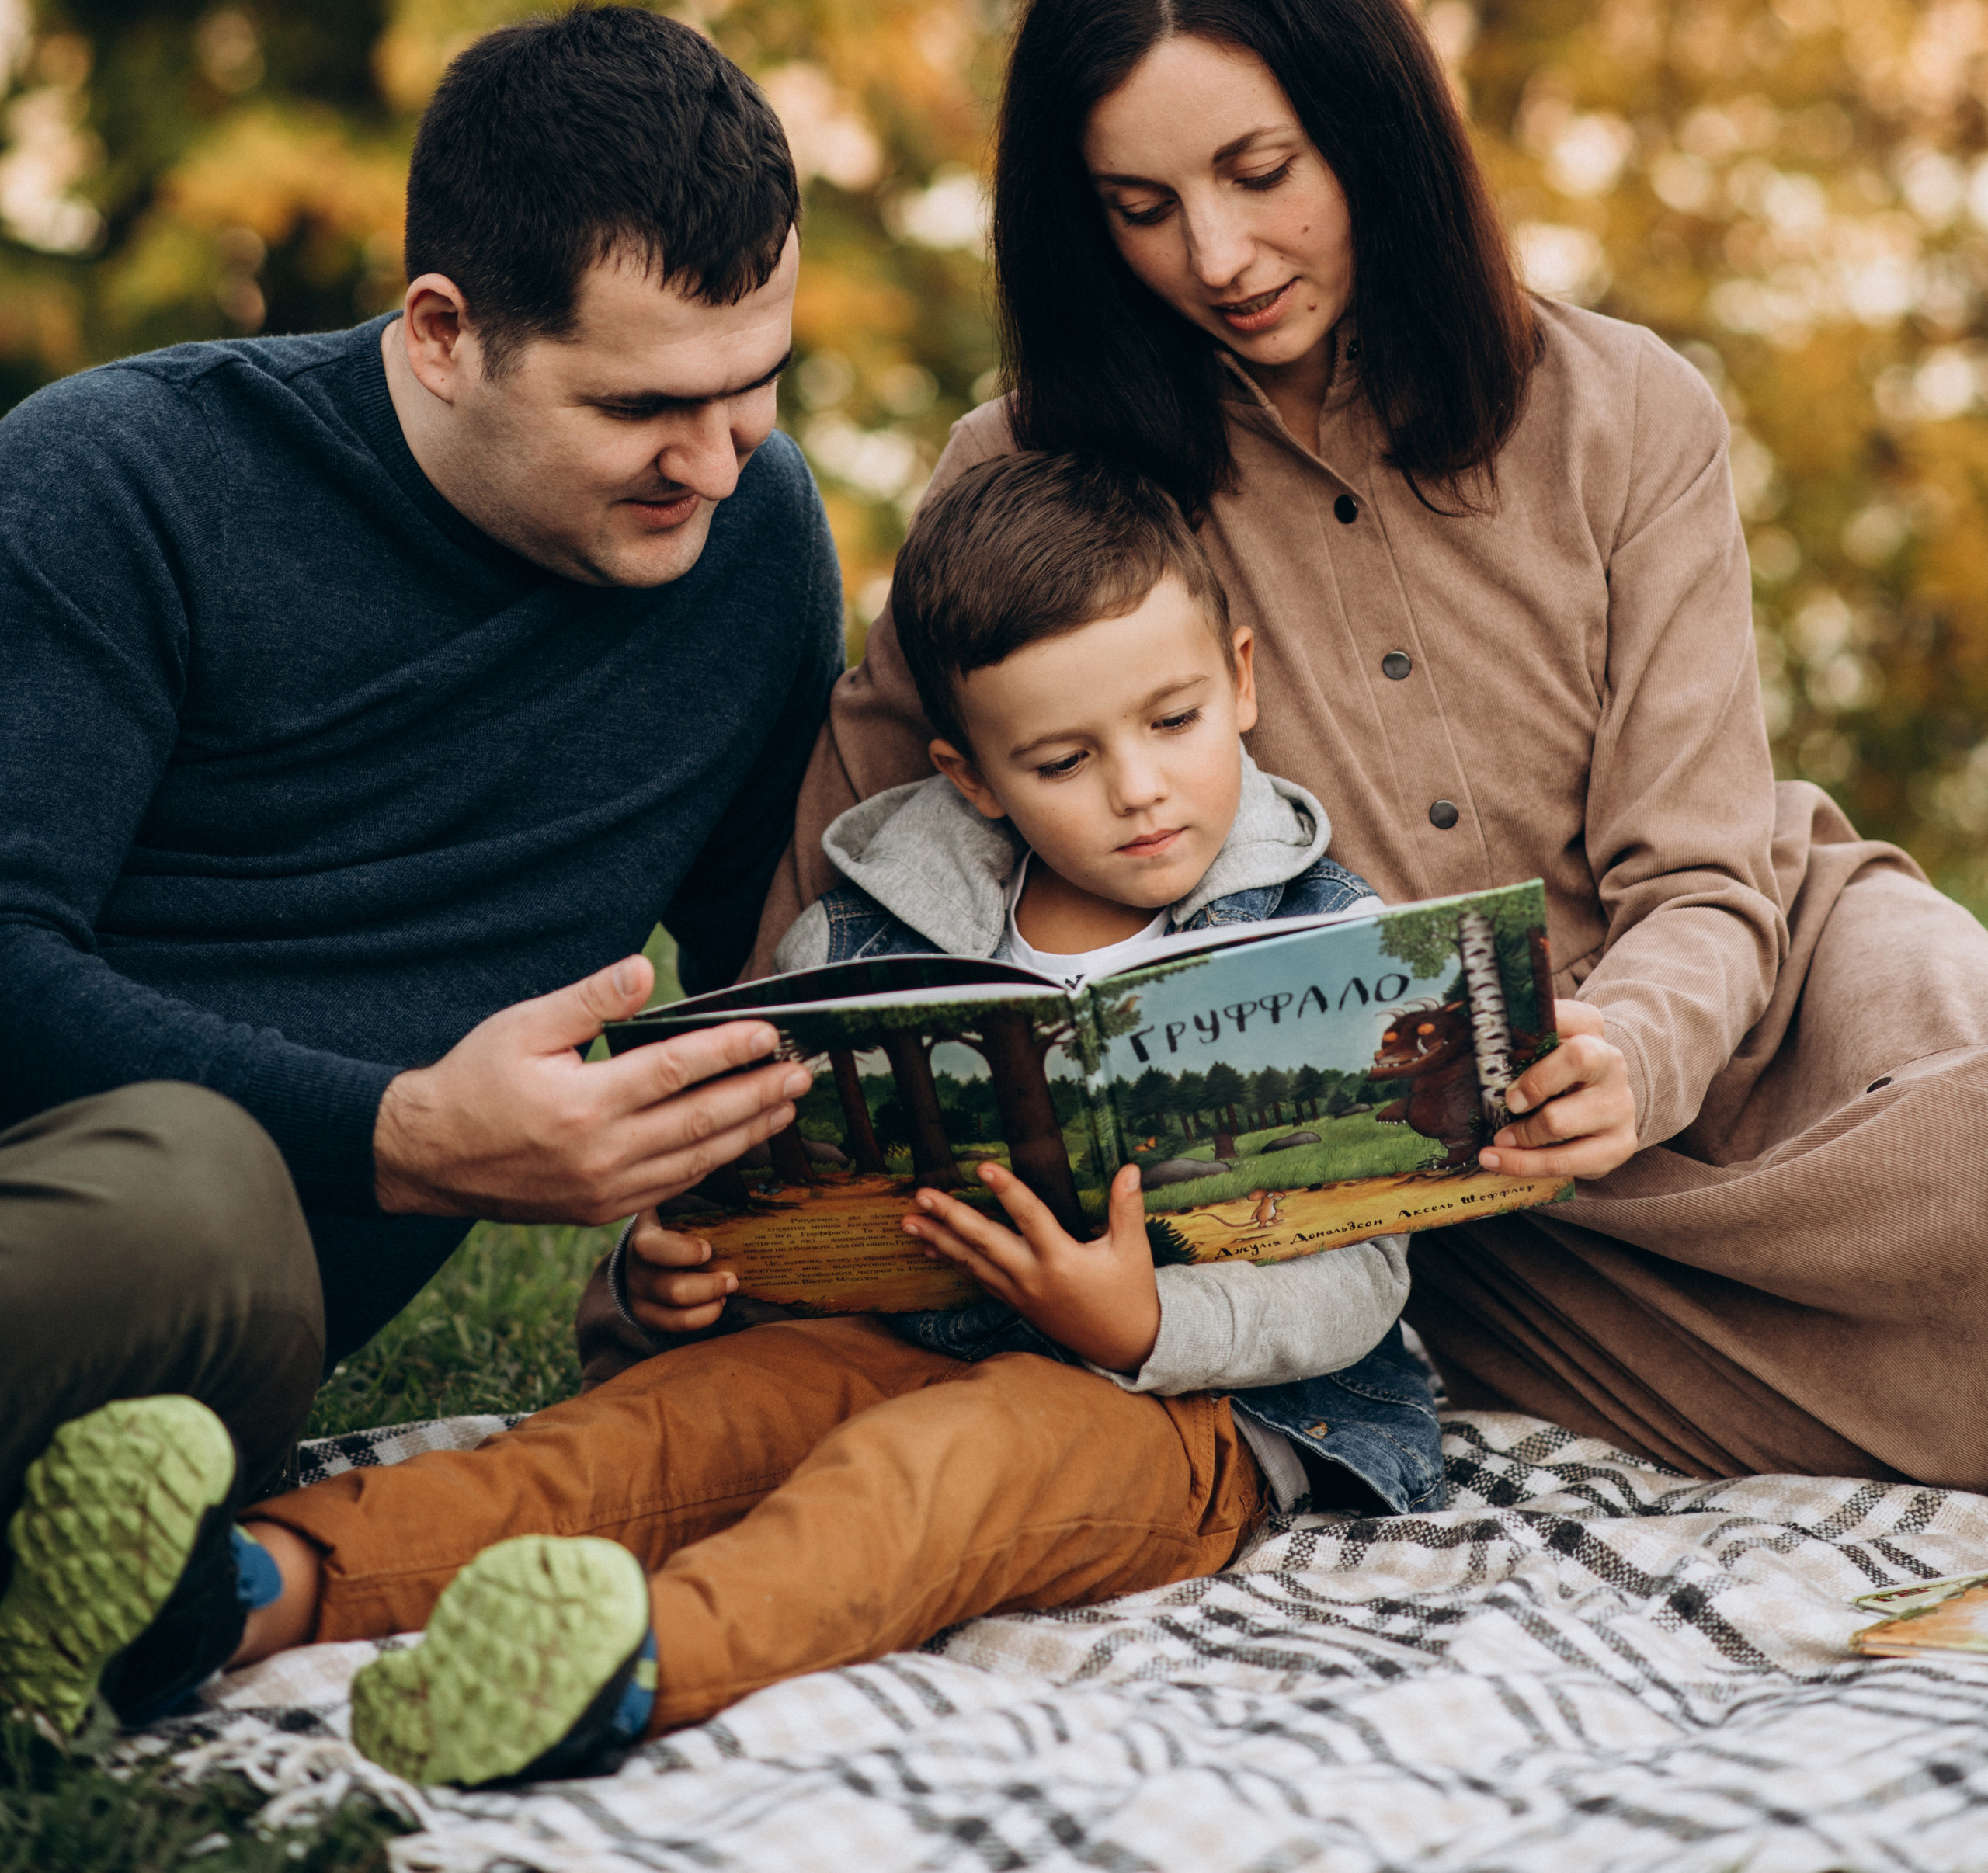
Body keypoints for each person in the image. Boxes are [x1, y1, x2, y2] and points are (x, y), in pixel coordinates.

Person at [752, 0, 1988, 1498]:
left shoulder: (1625, 412)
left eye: (1259, 171)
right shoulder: (1032, 476)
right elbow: (836, 911)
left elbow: (1702, 866)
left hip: (1759, 991)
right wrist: (702, 1196)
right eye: (1138, 206)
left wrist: (1625, 1041)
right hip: (1461, 1172)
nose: (1215, 252)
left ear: (1373, 129)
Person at [1, 453, 1444, 1782]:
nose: (1137, 791)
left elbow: (1367, 1272)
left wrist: (1143, 1324)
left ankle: (623, 1667)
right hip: (875, 1335)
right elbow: (749, 1172)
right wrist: (669, 1265)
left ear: (1240, 681)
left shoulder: (1325, 942)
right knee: (636, 1441)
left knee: (925, 1478)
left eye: (1173, 722)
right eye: (1061, 762)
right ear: (972, 776)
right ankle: (232, 1592)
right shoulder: (879, 922)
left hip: (1179, 1410)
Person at [0, 5, 839, 1689]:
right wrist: (401, 1138)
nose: (717, 457)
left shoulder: (751, 547)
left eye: (759, 385)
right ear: (445, 332)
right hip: (93, 1229)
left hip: (221, 1378)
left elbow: (777, 971)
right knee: (198, 1197)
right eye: (646, 407)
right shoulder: (118, 483)